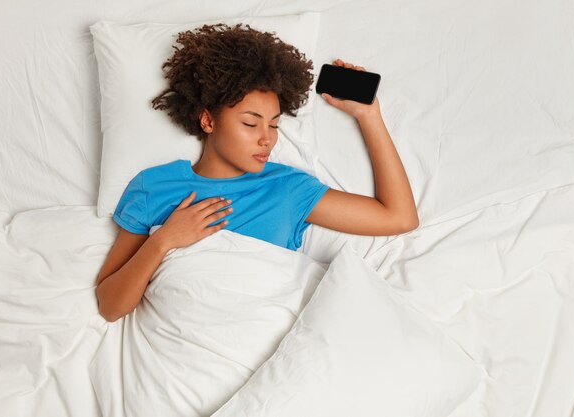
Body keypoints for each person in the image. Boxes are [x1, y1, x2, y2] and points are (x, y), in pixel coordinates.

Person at [96, 23, 418, 322]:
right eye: (250, 124)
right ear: (208, 121)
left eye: (275, 124)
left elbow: (399, 217)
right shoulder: (155, 187)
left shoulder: (287, 189)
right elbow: (110, 305)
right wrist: (164, 240)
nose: (268, 138)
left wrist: (369, 117)